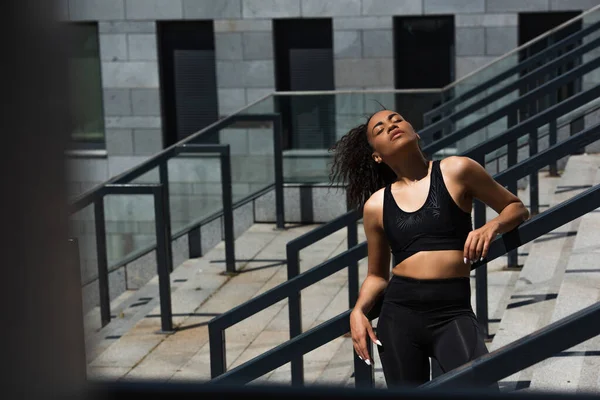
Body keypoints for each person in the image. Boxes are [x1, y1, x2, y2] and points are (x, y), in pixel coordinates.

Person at [329, 109, 530, 388]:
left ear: (416, 131)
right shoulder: (376, 205)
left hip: (452, 311)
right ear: (377, 155)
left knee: (482, 388)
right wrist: (358, 311)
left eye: (396, 119)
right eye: (379, 129)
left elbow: (517, 208)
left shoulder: (457, 170)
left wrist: (490, 227)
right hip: (399, 316)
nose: (391, 125)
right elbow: (377, 275)